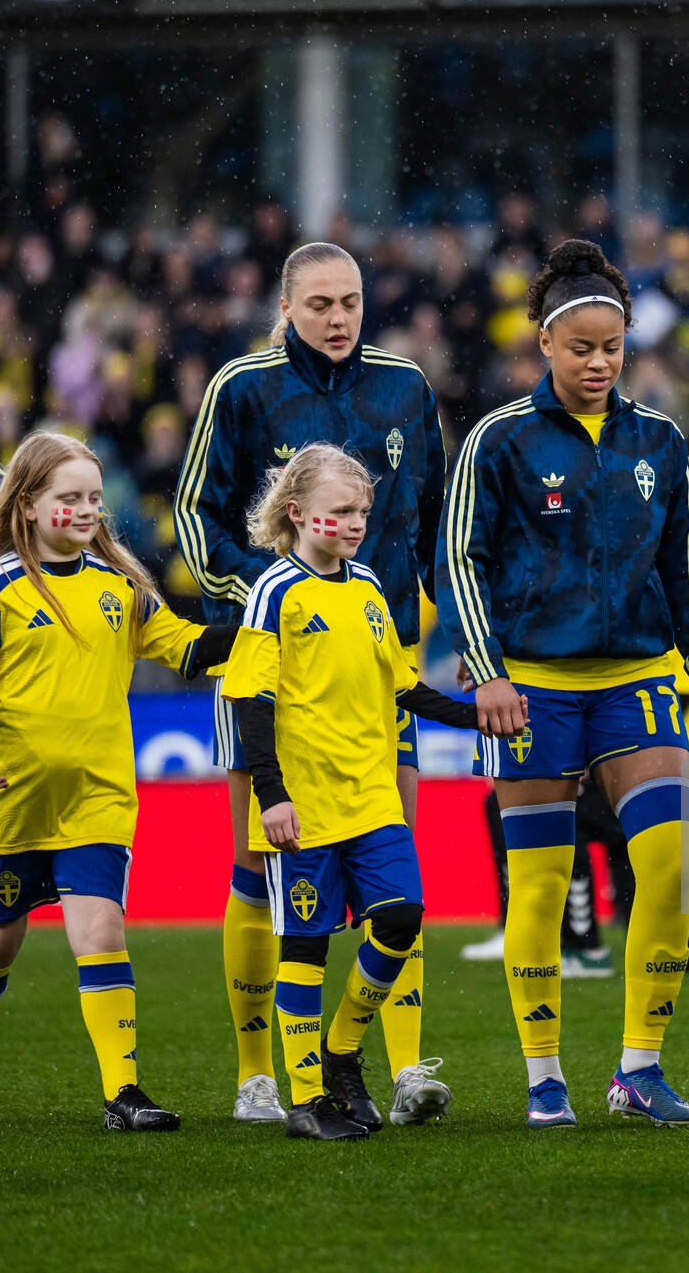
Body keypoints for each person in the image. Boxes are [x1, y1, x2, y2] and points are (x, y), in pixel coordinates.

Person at [436, 238, 689, 1129]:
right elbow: (462, 555)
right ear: (543, 344)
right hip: (533, 686)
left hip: (640, 678)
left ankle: (639, 1069)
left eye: (613, 348)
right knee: (538, 886)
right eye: (581, 348)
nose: (598, 363)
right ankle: (544, 1078)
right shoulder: (499, 438)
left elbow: (685, 572)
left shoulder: (661, 441)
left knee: (669, 866)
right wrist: (486, 671)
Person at [173, 242, 448, 1125]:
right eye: (321, 303)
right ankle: (261, 1072)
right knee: (260, 871)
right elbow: (194, 511)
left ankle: (401, 1065)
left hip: (373, 663)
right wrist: (250, 597)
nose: (339, 317)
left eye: (352, 302)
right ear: (287, 307)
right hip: (273, 669)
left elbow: (433, 518)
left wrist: (423, 613)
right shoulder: (242, 388)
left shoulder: (405, 386)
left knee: (392, 864)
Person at [0, 432, 234, 1130]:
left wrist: (263, 625)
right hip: (10, 799)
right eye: (69, 498)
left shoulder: (120, 588)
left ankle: (122, 1093)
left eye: (95, 499)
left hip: (96, 799)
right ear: (30, 504)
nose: (86, 511)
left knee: (101, 933)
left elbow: (185, 647)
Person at [222, 444, 491, 1139]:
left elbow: (401, 686)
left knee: (402, 916)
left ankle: (343, 1049)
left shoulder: (369, 587)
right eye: (340, 511)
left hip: (371, 797)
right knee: (305, 945)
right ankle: (308, 1099)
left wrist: (478, 711)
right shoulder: (274, 591)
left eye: (362, 511)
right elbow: (251, 700)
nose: (354, 523)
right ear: (298, 514)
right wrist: (272, 796)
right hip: (303, 805)